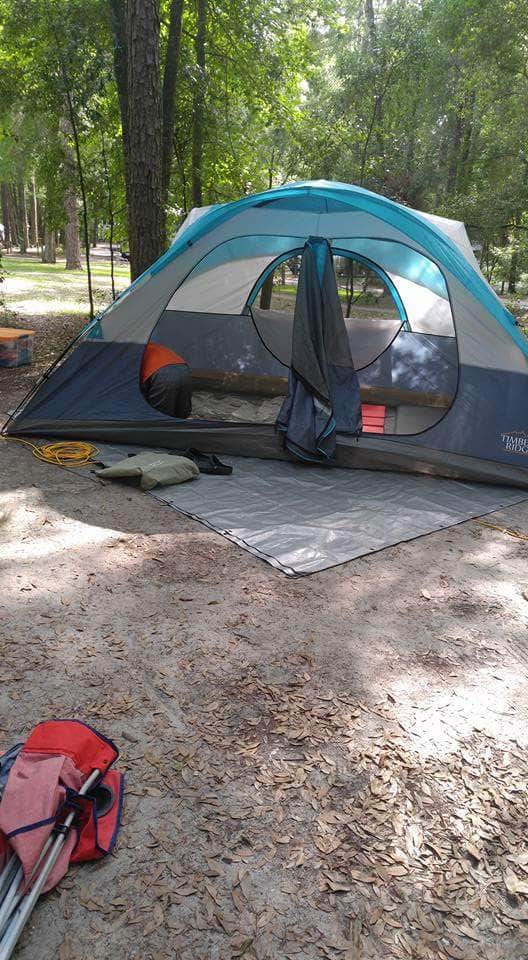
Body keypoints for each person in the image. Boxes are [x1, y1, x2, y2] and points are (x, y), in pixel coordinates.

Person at [140, 341, 192, 418]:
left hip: (161, 372)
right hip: (183, 367)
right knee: (181, 413)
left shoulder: (129, 349)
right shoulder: (149, 345)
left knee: (158, 416)